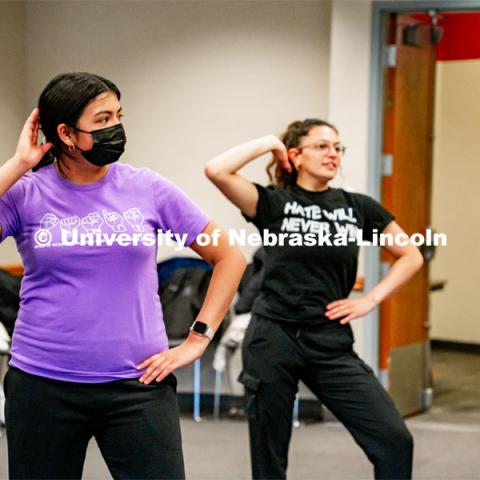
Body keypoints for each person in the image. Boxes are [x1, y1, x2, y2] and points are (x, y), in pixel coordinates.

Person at [0, 72, 246, 480]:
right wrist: (18, 164)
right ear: (65, 132)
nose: (115, 127)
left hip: (138, 384)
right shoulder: (26, 193)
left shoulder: (146, 187)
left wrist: (197, 339)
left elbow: (229, 257)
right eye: (102, 119)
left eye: (118, 115)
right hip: (43, 385)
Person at [204, 118, 423, 480]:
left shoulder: (357, 207)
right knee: (269, 456)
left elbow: (410, 254)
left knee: (394, 440)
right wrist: (270, 142)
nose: (333, 153)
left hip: (329, 340)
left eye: (337, 147)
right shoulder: (274, 203)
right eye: (322, 145)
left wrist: (370, 300)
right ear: (296, 155)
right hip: (273, 337)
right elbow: (217, 170)